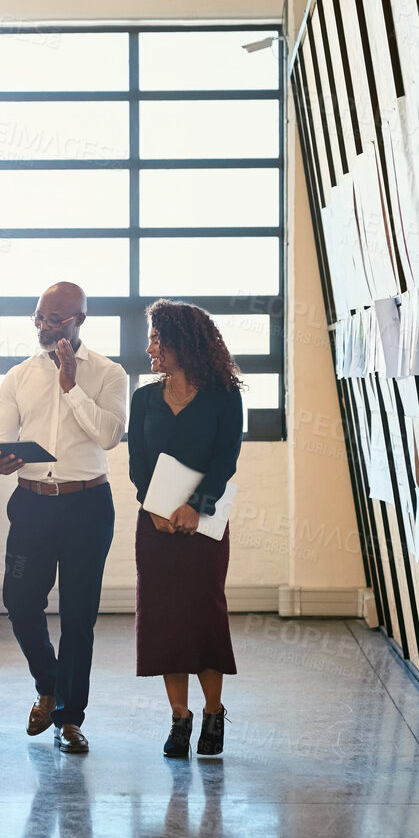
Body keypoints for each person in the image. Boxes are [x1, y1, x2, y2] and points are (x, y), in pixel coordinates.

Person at [0, 282, 129, 754]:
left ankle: (69, 718)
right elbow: (4, 438)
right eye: (39, 317)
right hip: (32, 503)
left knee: (78, 616)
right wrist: (0, 460)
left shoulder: (110, 374)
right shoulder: (18, 375)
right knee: (20, 601)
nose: (44, 326)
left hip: (87, 506)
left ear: (79, 321)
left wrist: (70, 385)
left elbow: (108, 436)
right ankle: (50, 685)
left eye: (56, 319)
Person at [128, 299, 244, 759]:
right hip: (153, 524)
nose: (150, 347)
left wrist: (197, 506)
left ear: (183, 342)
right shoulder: (144, 398)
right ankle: (180, 717)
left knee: (203, 614)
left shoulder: (224, 395)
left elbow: (225, 460)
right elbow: (138, 462)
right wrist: (152, 506)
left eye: (158, 339)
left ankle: (213, 711)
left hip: (205, 523)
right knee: (161, 620)